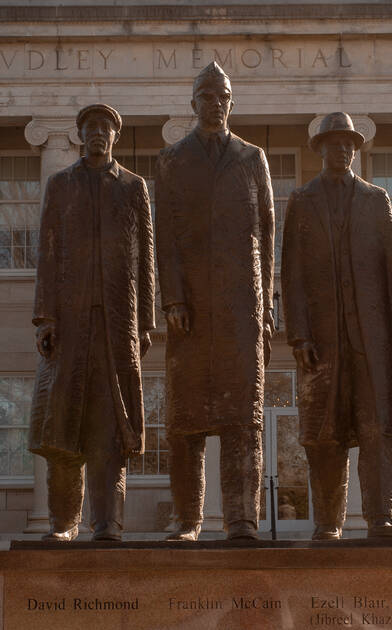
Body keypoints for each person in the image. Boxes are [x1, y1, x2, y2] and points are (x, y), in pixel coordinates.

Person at [155, 61, 275, 541]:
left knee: (243, 420)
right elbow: (163, 237)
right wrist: (172, 299)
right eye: (206, 96)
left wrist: (267, 311)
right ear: (194, 104)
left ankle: (242, 518)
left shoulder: (252, 158)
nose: (214, 104)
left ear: (231, 104)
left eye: (222, 96)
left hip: (241, 309)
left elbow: (266, 235)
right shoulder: (171, 160)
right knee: (185, 422)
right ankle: (187, 520)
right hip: (189, 312)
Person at [28, 103, 155, 542]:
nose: (98, 133)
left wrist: (145, 324)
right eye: (90, 127)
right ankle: (63, 524)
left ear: (116, 135)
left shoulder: (134, 188)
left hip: (118, 329)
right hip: (70, 323)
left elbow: (146, 260)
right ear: (80, 134)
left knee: (111, 431)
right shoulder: (61, 185)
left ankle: (108, 524)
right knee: (63, 429)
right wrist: (44, 318)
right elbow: (46, 253)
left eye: (106, 127)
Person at [281, 112, 392, 540]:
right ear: (320, 149)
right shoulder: (302, 200)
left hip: (373, 340)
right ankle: (327, 522)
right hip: (321, 339)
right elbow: (291, 273)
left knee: (377, 430)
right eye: (334, 144)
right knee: (324, 433)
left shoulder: (377, 200)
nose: (343, 150)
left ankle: (380, 518)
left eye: (349, 144)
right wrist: (297, 333)